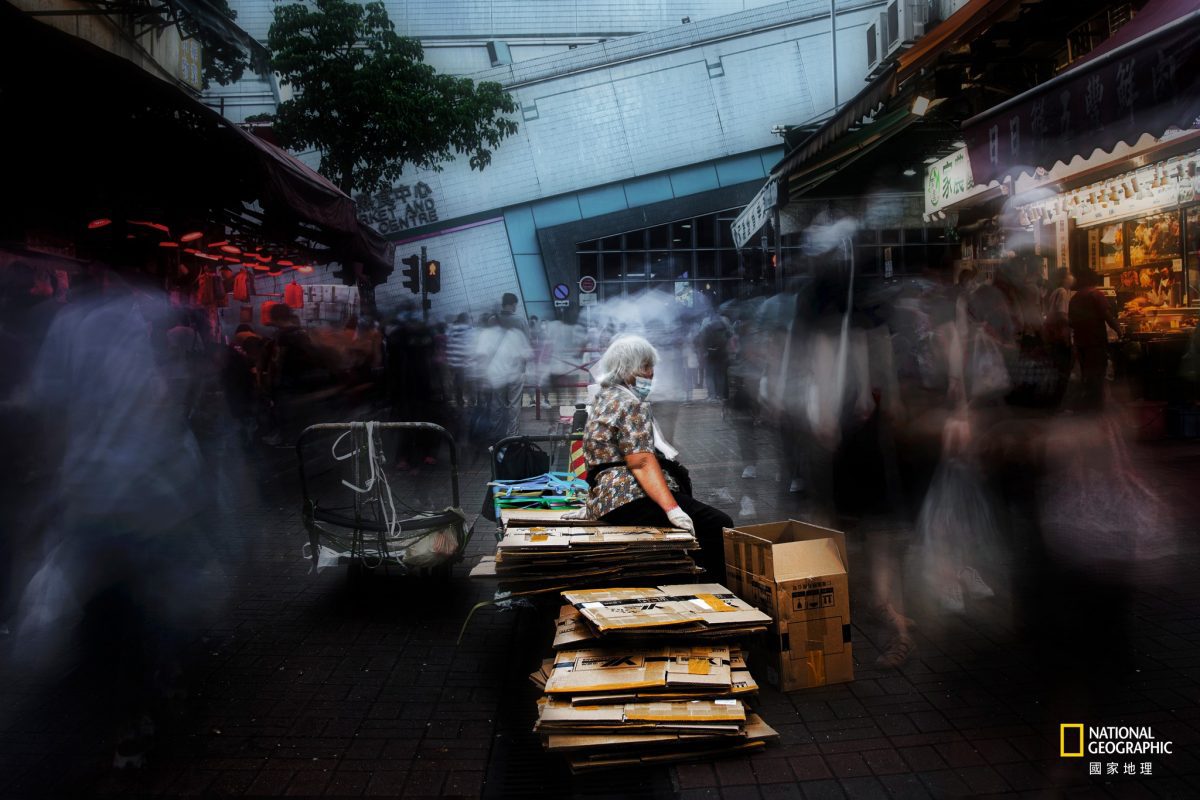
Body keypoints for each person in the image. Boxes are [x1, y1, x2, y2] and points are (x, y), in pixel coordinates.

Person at [579, 335, 733, 583]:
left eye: (651, 367)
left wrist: (594, 501)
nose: (650, 373)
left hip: (608, 498)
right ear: (626, 368)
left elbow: (599, 456)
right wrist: (673, 509)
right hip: (629, 498)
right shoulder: (632, 403)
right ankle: (713, 593)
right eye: (645, 366)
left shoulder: (603, 397)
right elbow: (640, 462)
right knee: (719, 524)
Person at [1068, 268, 1121, 411]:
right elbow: (1107, 316)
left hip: (1080, 342)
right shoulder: (1096, 295)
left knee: (1086, 375)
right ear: (1094, 280)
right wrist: (1119, 330)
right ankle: (1096, 407)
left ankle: (1087, 406)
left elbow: (1071, 321)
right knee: (1097, 375)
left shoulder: (1075, 298)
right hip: (1095, 342)